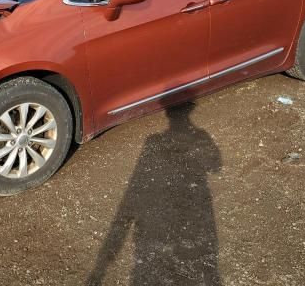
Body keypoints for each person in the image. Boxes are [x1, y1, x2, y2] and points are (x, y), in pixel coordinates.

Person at [87, 102, 222, 285]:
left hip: (160, 229)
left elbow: (134, 188)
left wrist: (107, 256)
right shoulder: (200, 136)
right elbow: (216, 166)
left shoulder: (154, 141)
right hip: (193, 222)